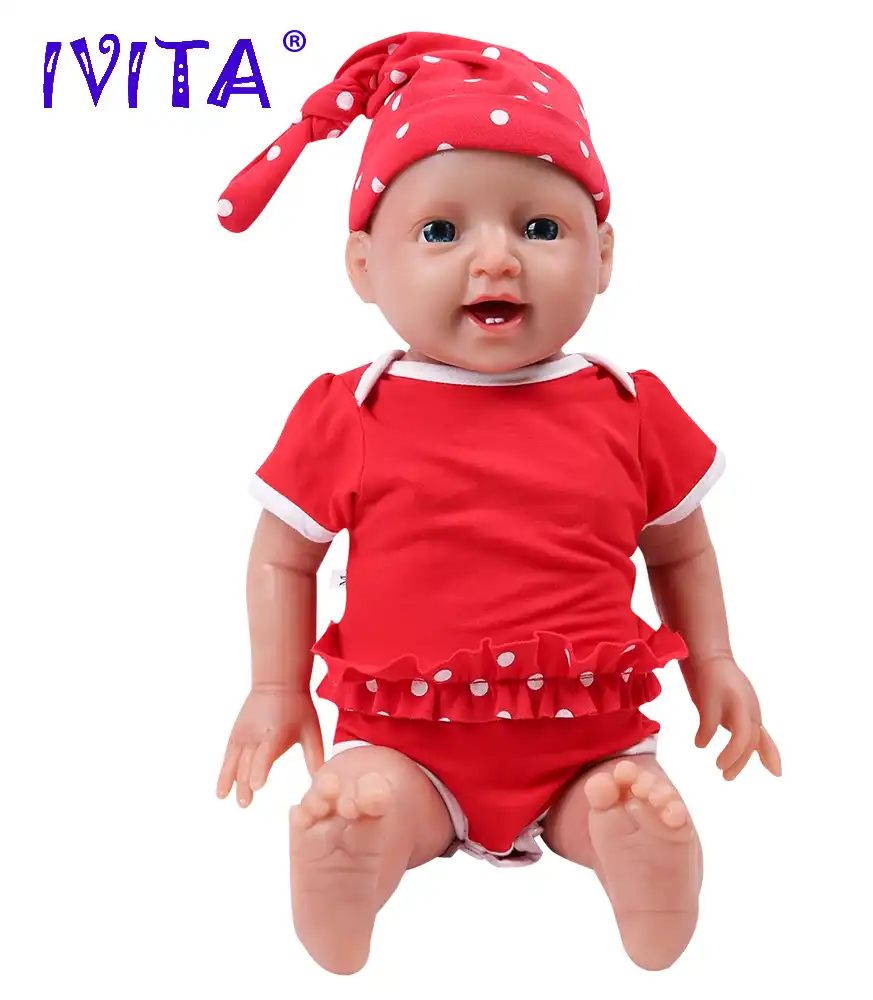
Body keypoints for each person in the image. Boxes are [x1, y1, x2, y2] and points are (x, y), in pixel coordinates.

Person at [214, 30, 781, 975]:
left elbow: (680, 551)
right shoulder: (353, 409)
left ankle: (634, 855)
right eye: (441, 232)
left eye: (541, 229)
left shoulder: (629, 405)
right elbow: (283, 554)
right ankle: (356, 857)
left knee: (617, 795)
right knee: (375, 793)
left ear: (603, 255)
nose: (497, 261)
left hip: (586, 737)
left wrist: (714, 660)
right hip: (406, 735)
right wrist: (275, 689)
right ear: (364, 266)